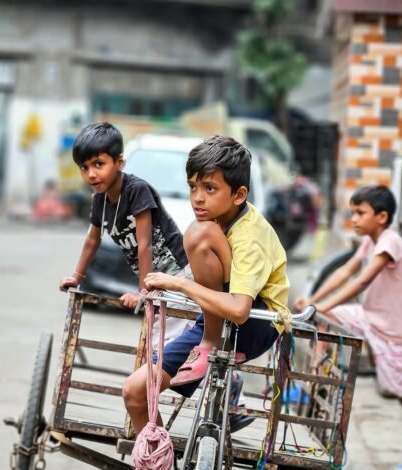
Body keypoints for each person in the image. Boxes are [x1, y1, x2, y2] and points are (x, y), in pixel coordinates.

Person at [122, 135, 290, 434]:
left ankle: (208, 346)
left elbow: (239, 311)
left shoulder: (249, 237)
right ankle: (160, 459)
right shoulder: (217, 220)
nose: (198, 197)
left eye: (209, 188)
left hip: (256, 323)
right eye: (193, 187)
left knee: (198, 234)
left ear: (238, 195)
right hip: (214, 319)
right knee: (135, 391)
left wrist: (179, 285)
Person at [293, 184, 402, 470]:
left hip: (394, 331)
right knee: (323, 320)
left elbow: (361, 280)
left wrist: (321, 306)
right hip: (368, 316)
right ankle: (314, 379)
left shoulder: (390, 242)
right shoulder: (370, 241)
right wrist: (314, 300)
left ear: (382, 217)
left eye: (360, 213)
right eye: (353, 212)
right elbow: (345, 271)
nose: (354, 219)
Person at [59, 122, 193, 341]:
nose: (91, 174)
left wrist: (142, 292)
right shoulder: (100, 200)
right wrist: (77, 277)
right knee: (158, 341)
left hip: (178, 273)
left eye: (98, 164)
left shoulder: (136, 190)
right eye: (84, 167)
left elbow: (145, 243)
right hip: (156, 282)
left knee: (170, 342)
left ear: (119, 162)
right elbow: (93, 240)